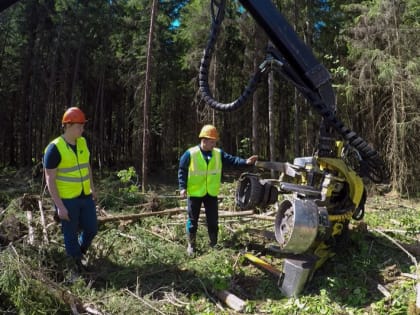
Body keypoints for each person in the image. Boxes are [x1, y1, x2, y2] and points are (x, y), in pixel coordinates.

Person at [178, 124, 258, 256]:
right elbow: (182, 170)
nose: (214, 144)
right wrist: (182, 187)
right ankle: (191, 245)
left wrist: (246, 162)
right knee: (192, 220)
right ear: (204, 140)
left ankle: (214, 244)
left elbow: (232, 161)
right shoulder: (190, 153)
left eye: (215, 142)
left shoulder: (218, 153)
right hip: (195, 193)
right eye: (212, 142)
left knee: (213, 220)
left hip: (211, 193)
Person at [43, 107, 97, 272]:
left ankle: (79, 253)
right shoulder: (54, 148)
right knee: (70, 233)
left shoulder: (82, 142)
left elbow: (87, 166)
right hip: (67, 199)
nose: (82, 129)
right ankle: (75, 266)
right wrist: (59, 206)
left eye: (82, 126)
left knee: (92, 228)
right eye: (78, 126)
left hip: (85, 195)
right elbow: (49, 179)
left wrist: (92, 188)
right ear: (67, 126)